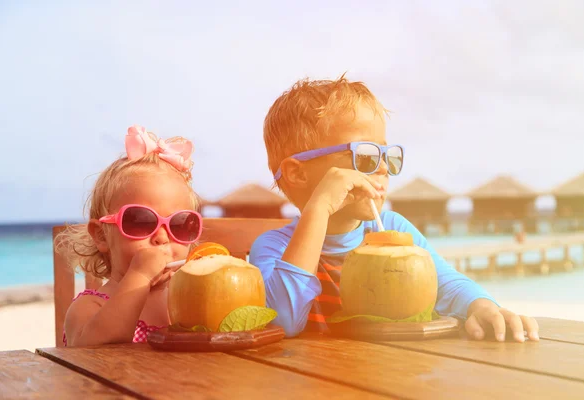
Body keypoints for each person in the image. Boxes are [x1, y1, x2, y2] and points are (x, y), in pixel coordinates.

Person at [250, 75, 539, 342]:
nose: (384, 169)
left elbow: (446, 285)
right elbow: (284, 322)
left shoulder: (391, 229)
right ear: (298, 174)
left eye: (388, 155)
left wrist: (482, 306)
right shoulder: (273, 248)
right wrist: (319, 208)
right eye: (365, 155)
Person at [56, 125, 203, 346]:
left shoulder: (184, 307)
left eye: (180, 224)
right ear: (102, 236)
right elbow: (95, 354)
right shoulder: (90, 307)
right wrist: (140, 277)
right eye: (141, 220)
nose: (162, 237)